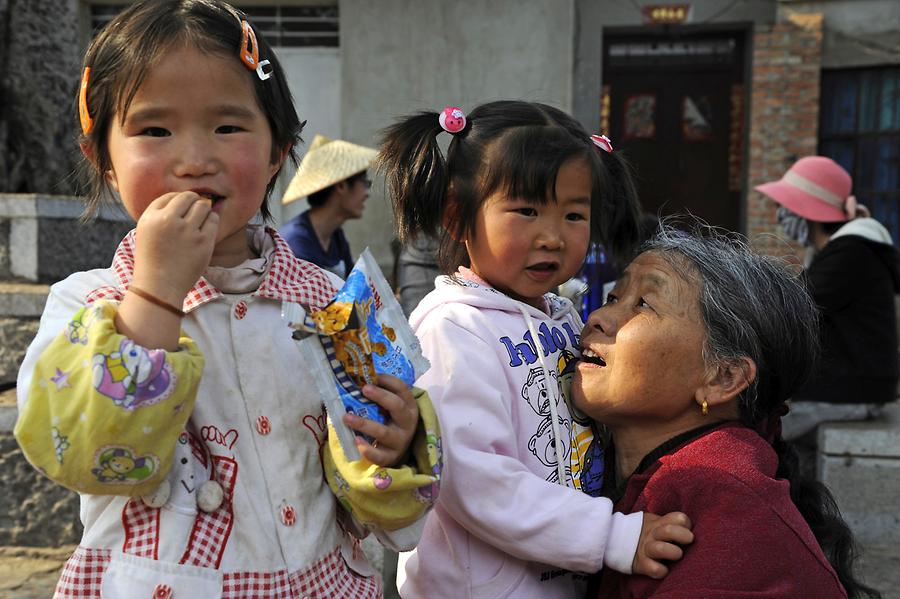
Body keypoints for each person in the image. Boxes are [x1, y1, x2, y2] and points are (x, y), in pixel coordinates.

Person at [13, 2, 440, 597]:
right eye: (154, 130)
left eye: (228, 126)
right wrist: (158, 294)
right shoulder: (91, 304)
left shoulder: (330, 304)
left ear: (276, 154)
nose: (194, 160)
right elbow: (83, 454)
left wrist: (389, 451)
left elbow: (386, 513)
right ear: (102, 160)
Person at [379, 101, 693, 599]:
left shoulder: (561, 317)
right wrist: (610, 535)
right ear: (459, 217)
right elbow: (474, 479)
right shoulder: (454, 327)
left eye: (573, 214)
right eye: (526, 210)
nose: (551, 236)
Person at [575, 224, 879, 598]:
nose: (598, 319)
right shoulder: (599, 466)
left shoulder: (731, 511)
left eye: (643, 304)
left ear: (723, 377)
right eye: (614, 297)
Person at [755, 156, 900, 445]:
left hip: (849, 392)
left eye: (784, 206)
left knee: (749, 433)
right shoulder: (844, 252)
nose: (780, 215)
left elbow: (790, 306)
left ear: (806, 211)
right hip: (849, 388)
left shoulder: (851, 254)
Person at [279, 134, 377, 277]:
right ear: (342, 186)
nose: (367, 193)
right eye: (364, 183)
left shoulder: (336, 236)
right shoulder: (297, 243)